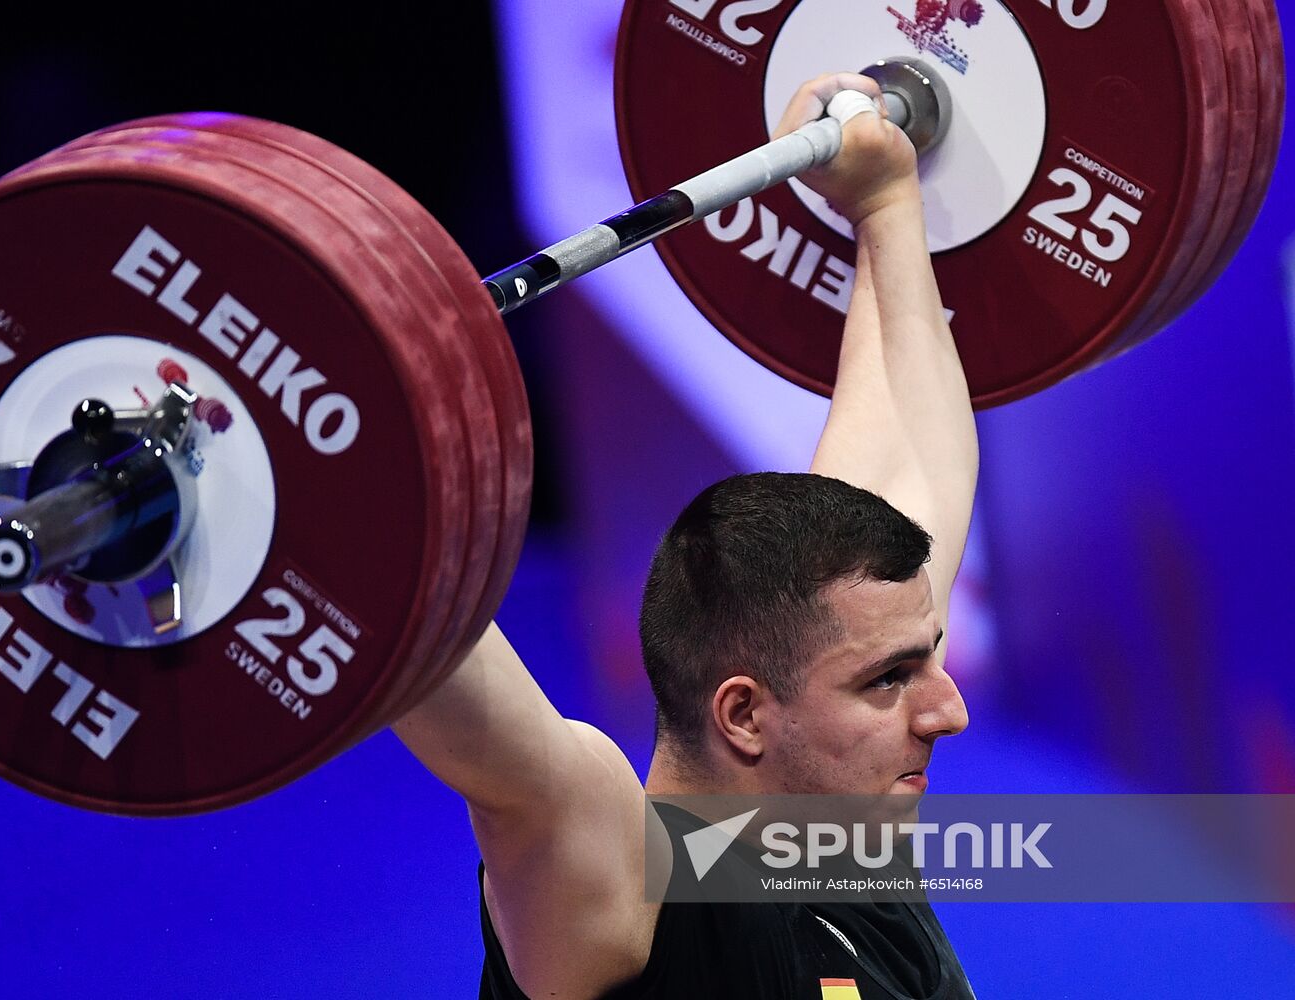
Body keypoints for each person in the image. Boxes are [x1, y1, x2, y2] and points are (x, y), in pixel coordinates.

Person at [393, 70, 979, 999]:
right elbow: (499, 742)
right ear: (744, 715)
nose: (947, 712)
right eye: (889, 681)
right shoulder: (632, 892)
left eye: (924, 659)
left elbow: (908, 471)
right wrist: (326, 476)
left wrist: (887, 203)